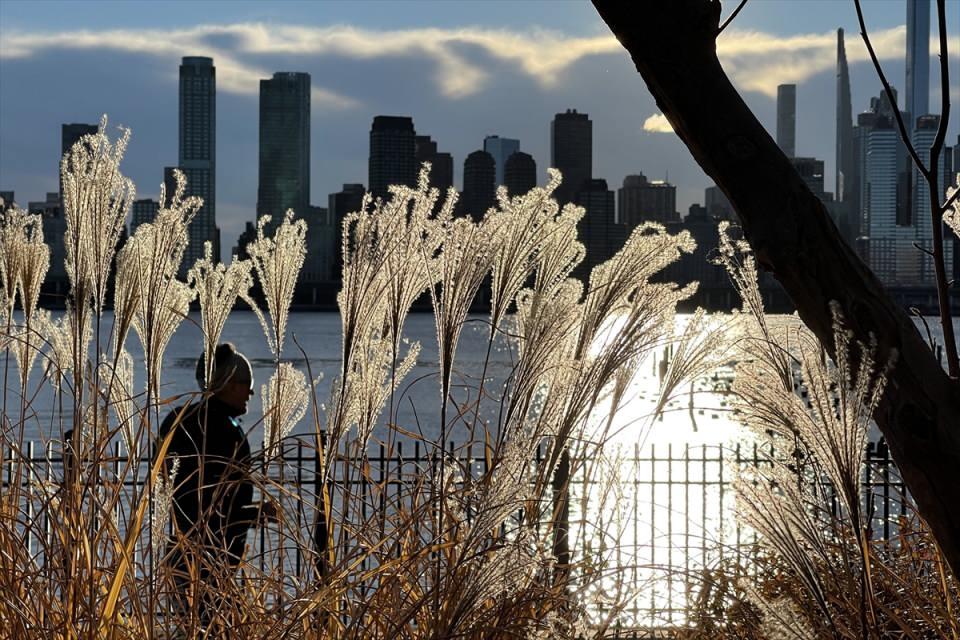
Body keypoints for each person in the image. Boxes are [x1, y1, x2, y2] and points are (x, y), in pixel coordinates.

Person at [157, 342, 277, 628]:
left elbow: (174, 486)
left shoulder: (177, 419)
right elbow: (219, 507)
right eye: (246, 384)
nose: (250, 392)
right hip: (215, 557)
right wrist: (256, 513)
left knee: (190, 627)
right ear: (229, 385)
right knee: (214, 626)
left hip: (180, 550)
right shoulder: (228, 432)